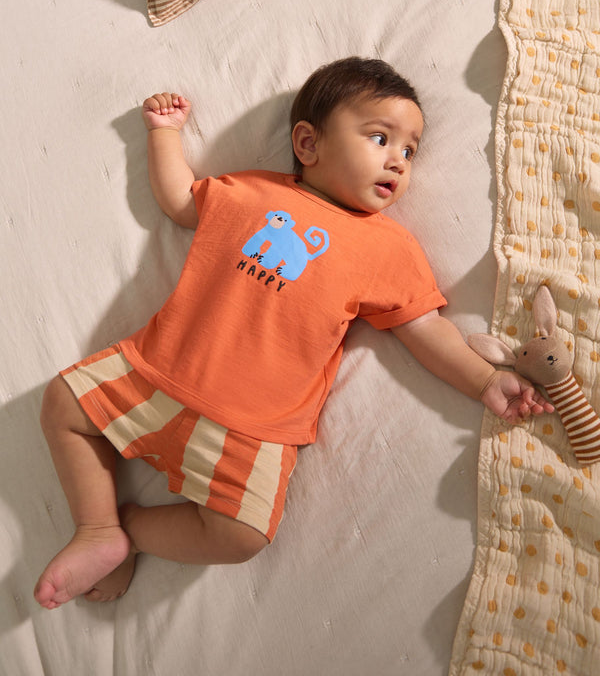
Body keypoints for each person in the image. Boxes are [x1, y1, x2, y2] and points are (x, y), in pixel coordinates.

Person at [34, 57, 553, 609]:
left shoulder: (389, 249)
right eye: (380, 138)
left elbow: (424, 327)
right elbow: (182, 199)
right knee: (62, 406)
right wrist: (164, 135)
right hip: (158, 371)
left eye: (409, 151)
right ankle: (95, 527)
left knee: (242, 536)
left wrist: (484, 382)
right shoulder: (252, 194)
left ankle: (127, 533)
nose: (398, 162)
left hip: (256, 425)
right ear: (308, 144)